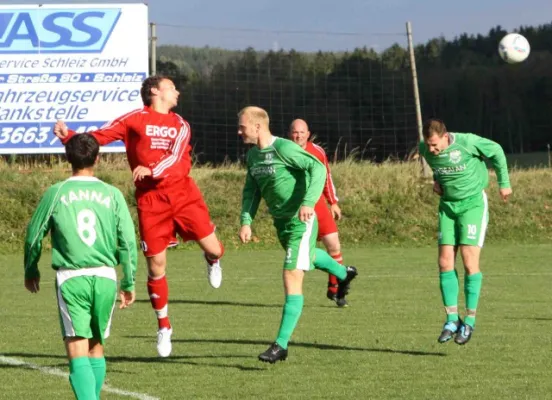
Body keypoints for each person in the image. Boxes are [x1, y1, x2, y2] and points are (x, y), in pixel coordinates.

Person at [53, 75, 224, 358]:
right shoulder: (135, 119)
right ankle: (164, 326)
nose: (177, 92)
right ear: (155, 91)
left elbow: (175, 154)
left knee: (215, 247)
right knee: (156, 265)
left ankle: (212, 259)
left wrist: (152, 168)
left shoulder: (180, 124)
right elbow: (101, 136)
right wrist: (71, 137)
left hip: (183, 195)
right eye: (172, 87)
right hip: (151, 201)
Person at [237, 106, 358, 363]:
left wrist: (308, 201)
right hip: (282, 225)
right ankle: (343, 274)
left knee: (292, 273)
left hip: (301, 221)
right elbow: (251, 191)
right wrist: (246, 221)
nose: (239, 131)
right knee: (310, 257)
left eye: (242, 126)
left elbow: (318, 169)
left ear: (257, 127)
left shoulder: (284, 148)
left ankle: (281, 345)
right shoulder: (253, 157)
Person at [23, 134, 137, 400]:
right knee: (96, 347)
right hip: (106, 278)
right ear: (97, 158)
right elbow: (128, 242)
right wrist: (129, 282)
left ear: (67, 158)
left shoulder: (57, 192)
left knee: (76, 348)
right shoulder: (113, 194)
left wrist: (31, 269)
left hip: (72, 278)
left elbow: (34, 235)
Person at [418, 118, 512, 345]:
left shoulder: (468, 142)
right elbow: (439, 168)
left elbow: (497, 151)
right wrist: (436, 181)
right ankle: (451, 319)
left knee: (469, 262)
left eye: (434, 144)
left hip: (472, 205)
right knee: (444, 262)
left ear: (445, 136)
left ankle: (469, 321)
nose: (431, 149)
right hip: (447, 207)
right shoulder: (426, 149)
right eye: (428, 145)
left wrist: (504, 182)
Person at [288, 118, 348, 307]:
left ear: (308, 133)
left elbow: (326, 177)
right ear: (290, 134)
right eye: (295, 132)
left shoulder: (317, 151)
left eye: (302, 132)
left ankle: (335, 289)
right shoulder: (284, 151)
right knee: (302, 255)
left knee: (334, 245)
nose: (298, 135)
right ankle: (295, 295)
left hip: (318, 205)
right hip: (297, 208)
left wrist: (333, 202)